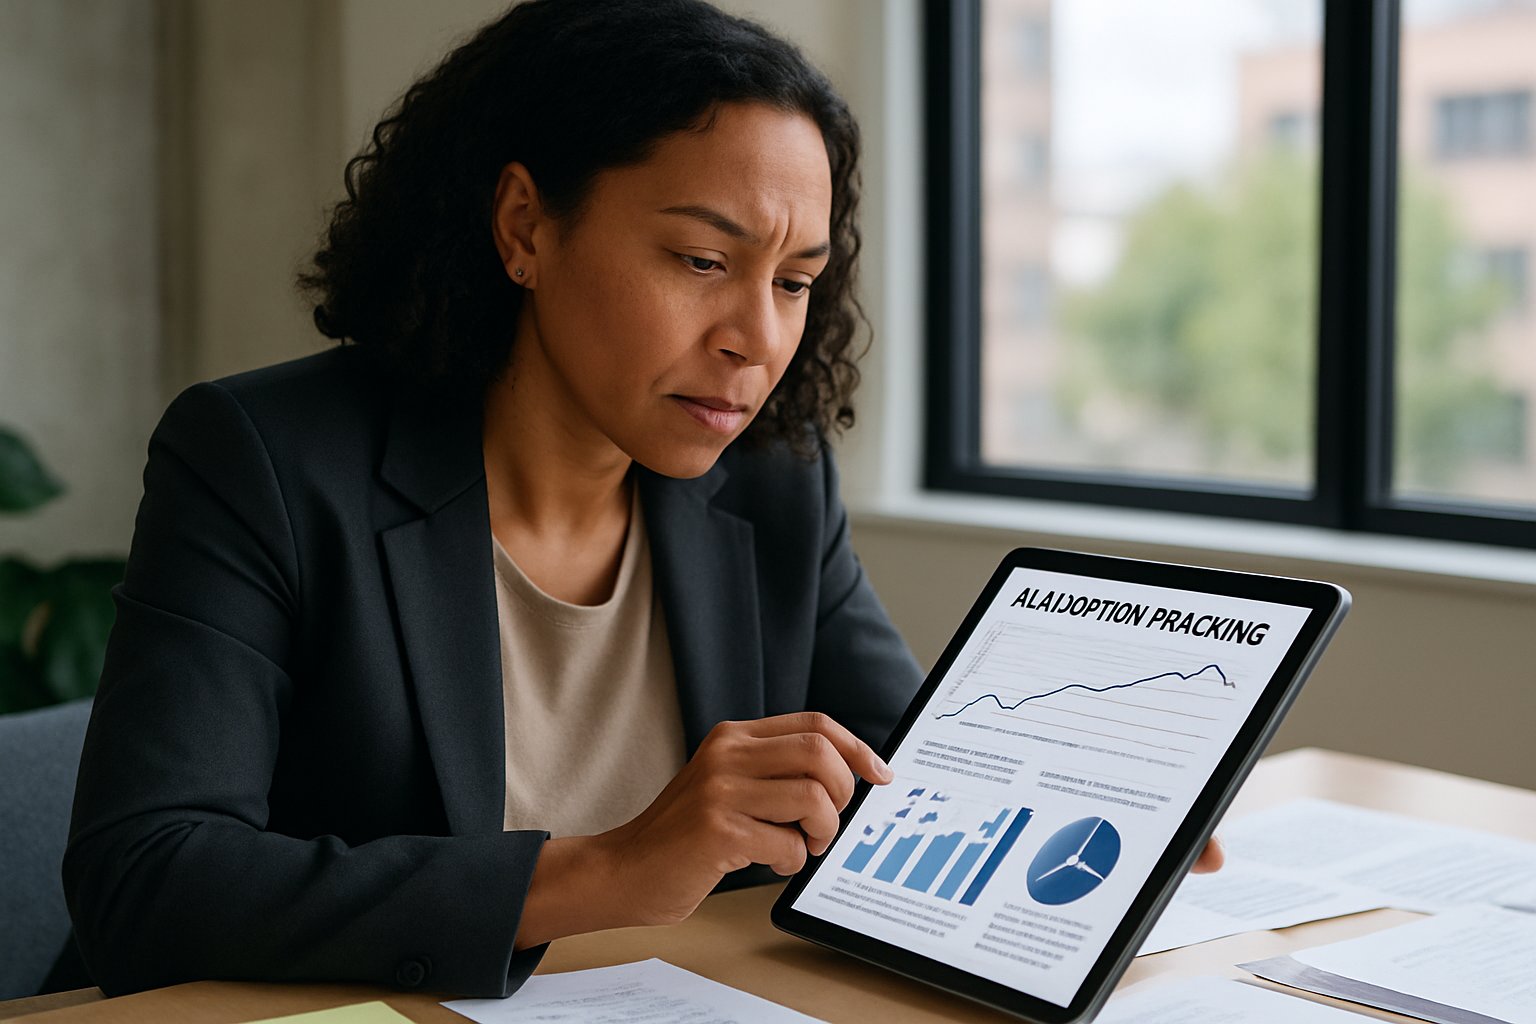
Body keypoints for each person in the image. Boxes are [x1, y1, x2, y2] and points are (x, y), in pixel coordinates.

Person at [64, 0, 1220, 1001]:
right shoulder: (264, 458)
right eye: (701, 261)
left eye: (797, 281)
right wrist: (604, 868)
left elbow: (897, 780)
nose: (757, 339)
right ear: (525, 226)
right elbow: (150, 876)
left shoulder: (773, 482)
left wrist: (1078, 814)